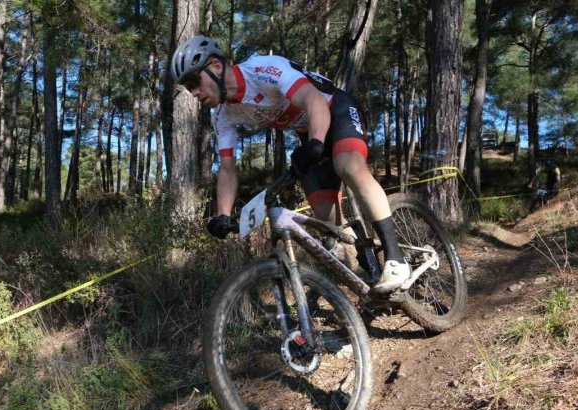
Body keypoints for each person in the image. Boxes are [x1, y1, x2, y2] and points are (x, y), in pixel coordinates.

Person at [170, 35, 410, 293]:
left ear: (216, 66)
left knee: (348, 165)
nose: (193, 92)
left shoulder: (263, 69)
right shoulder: (223, 115)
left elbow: (313, 101)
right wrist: (223, 214)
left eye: (195, 81)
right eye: (188, 87)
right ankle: (367, 273)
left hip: (334, 108)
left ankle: (396, 259)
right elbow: (227, 168)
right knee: (325, 216)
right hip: (309, 132)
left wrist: (316, 143)